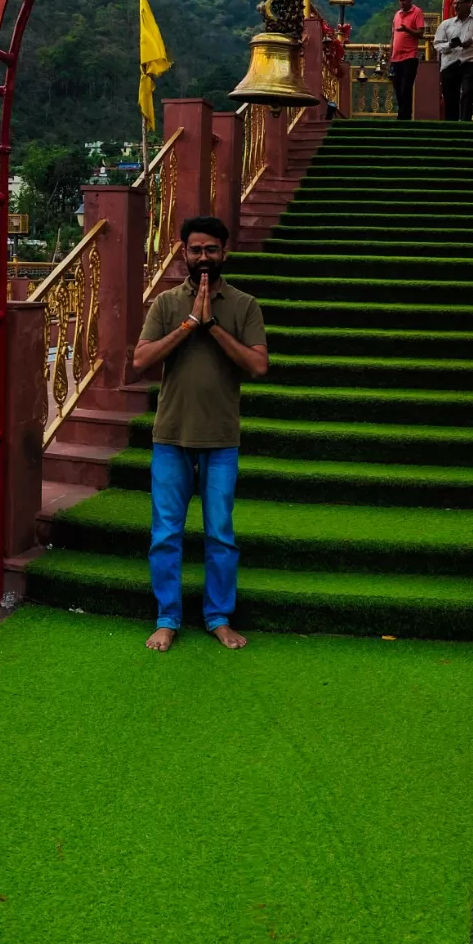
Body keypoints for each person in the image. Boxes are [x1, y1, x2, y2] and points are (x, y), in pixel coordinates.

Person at [131, 215, 268, 653]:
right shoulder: (167, 303)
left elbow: (258, 364)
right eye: (196, 250)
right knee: (166, 533)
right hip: (171, 434)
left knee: (220, 534)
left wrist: (213, 327)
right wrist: (190, 323)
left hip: (221, 437)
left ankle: (218, 617)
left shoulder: (244, 305)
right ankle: (168, 617)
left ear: (224, 253)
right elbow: (141, 360)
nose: (203, 258)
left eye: (211, 249)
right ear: (183, 253)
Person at [390, 0, 427, 120]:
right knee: (398, 89)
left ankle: (404, 118)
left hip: (410, 57)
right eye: (400, 0)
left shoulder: (417, 12)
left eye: (404, 0)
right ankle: (403, 114)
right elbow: (393, 37)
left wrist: (407, 30)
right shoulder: (397, 15)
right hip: (396, 58)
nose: (402, 3)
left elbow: (420, 33)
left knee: (406, 88)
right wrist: (390, 55)